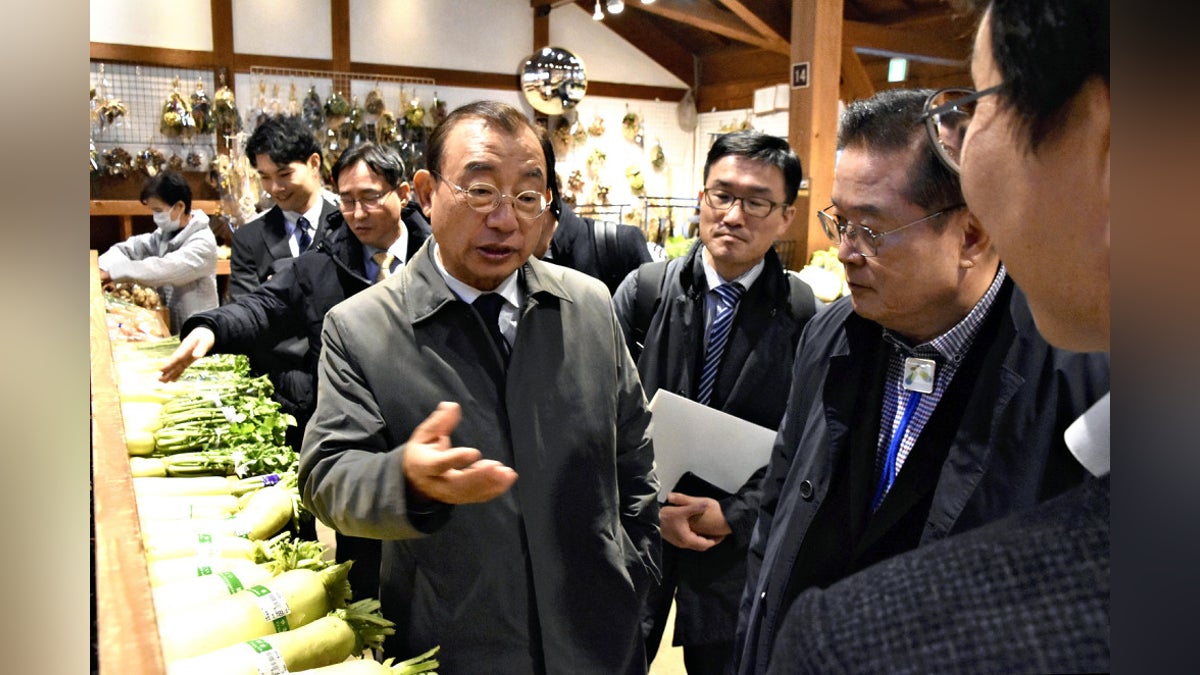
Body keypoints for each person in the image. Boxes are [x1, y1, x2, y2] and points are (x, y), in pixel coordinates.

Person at [757, 1, 1111, 672]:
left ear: (972, 234)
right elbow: (780, 508)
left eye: (873, 229)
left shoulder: (1076, 366)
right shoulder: (832, 332)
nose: (847, 251)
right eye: (840, 222)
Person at [298, 101, 661, 673]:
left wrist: (637, 564)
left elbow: (634, 450)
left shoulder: (587, 305)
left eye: (527, 197)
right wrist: (406, 480)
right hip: (454, 642)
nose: (505, 219)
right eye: (481, 191)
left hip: (598, 637)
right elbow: (326, 475)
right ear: (424, 191)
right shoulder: (362, 327)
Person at [157, 142, 431, 600]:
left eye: (369, 197)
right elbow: (265, 304)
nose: (358, 213)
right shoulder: (322, 264)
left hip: (425, 424)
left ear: (402, 193)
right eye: (346, 200)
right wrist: (210, 329)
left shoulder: (439, 254)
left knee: (433, 557)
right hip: (357, 438)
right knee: (363, 562)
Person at [610, 130, 817, 674]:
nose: (733, 214)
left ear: (785, 216)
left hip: (731, 544)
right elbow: (597, 413)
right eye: (721, 195)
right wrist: (649, 508)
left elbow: (806, 438)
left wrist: (735, 514)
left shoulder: (803, 314)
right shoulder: (644, 292)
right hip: (638, 527)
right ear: (701, 199)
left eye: (756, 202)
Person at [228, 114, 340, 300]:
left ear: (313, 164)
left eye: (285, 174)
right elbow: (246, 312)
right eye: (265, 177)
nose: (274, 188)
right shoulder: (248, 240)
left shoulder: (346, 224)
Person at [98, 170, 218, 334]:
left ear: (179, 207)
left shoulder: (203, 242)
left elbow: (164, 268)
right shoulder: (164, 234)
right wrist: (101, 268)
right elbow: (131, 248)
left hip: (196, 329)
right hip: (171, 325)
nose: (155, 216)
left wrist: (113, 273)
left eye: (158, 210)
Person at [534, 133, 653, 294]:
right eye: (487, 192)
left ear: (546, 195)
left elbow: (653, 315)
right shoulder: (511, 263)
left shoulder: (622, 245)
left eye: (524, 196)